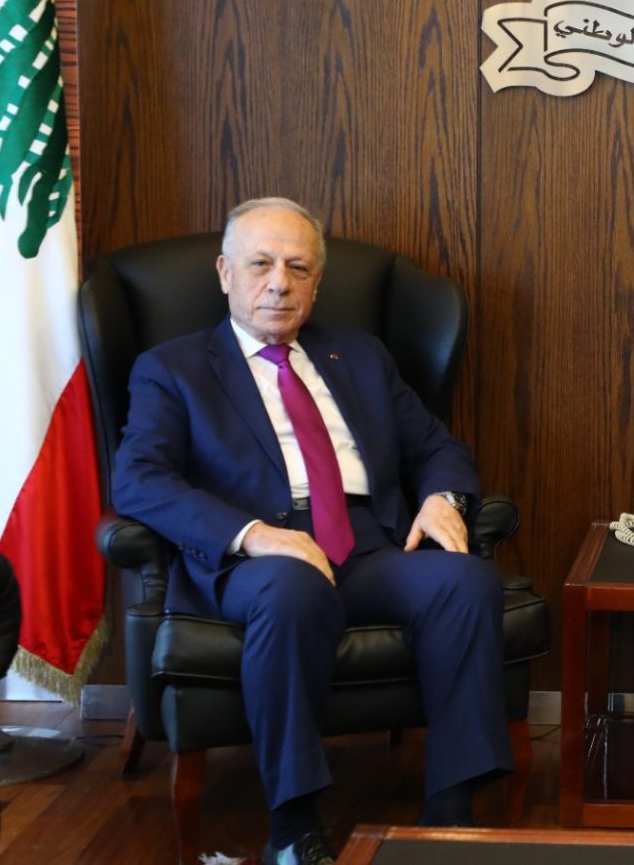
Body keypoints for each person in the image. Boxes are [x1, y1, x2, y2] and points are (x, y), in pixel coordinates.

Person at [112, 198, 509, 865]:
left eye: (298, 268)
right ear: (224, 273)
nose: (279, 283)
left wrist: (442, 497)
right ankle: (293, 827)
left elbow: (435, 445)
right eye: (261, 264)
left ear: (317, 285)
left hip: (368, 543)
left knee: (465, 581)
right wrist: (252, 533)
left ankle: (451, 814)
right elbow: (139, 480)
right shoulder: (173, 368)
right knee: (292, 590)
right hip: (257, 558)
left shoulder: (360, 355)